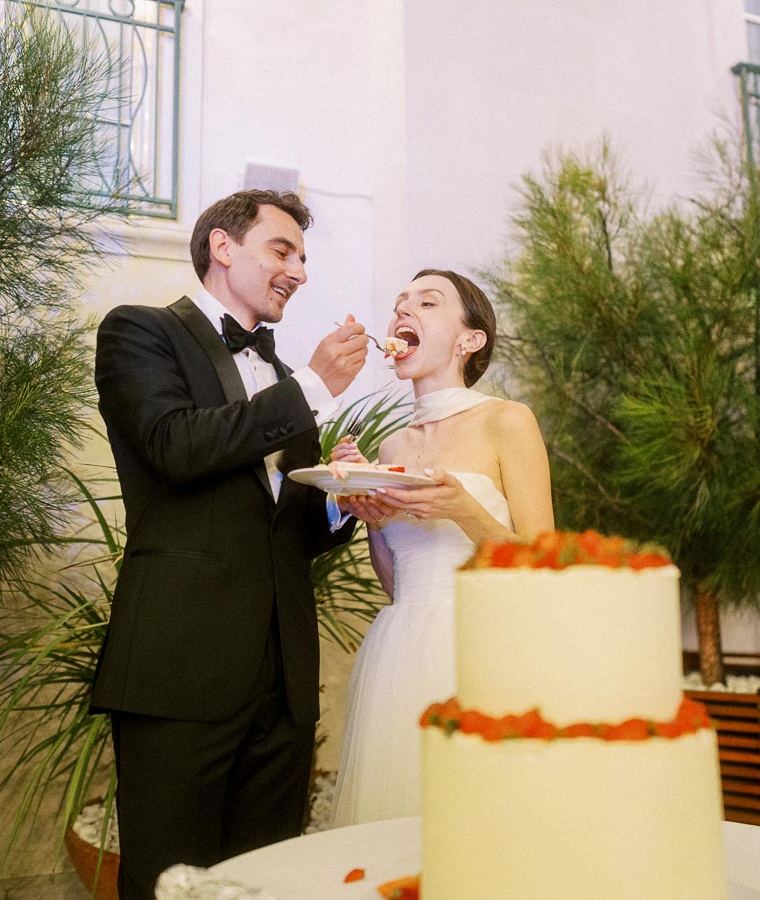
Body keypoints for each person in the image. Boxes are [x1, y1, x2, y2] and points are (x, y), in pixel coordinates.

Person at [90, 189, 369, 899]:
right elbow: (174, 446)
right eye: (283, 250)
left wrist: (343, 502)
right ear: (223, 246)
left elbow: (290, 534)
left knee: (265, 883)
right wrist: (312, 386)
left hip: (282, 687)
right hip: (179, 673)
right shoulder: (140, 331)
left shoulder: (282, 381)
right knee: (169, 883)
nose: (299, 271)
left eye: (303, 258)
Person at [328, 268, 554, 826]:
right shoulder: (393, 443)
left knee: (482, 826)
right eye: (400, 302)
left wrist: (465, 510)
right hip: (401, 646)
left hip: (486, 646)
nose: (404, 312)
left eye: (427, 303)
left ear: (468, 340)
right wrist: (371, 511)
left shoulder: (507, 420)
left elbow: (546, 567)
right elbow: (396, 581)